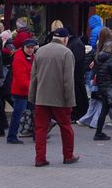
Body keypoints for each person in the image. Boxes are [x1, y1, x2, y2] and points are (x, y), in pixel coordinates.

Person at [29, 27, 79, 167]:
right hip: (60, 99)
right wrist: (70, 100)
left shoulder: (40, 51)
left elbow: (34, 77)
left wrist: (32, 97)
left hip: (42, 97)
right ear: (65, 39)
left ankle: (40, 158)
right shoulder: (66, 53)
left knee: (40, 129)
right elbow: (68, 80)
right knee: (66, 128)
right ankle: (68, 156)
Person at [7, 37, 37, 144]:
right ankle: (11, 136)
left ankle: (37, 135)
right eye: (28, 47)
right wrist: (33, 88)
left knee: (35, 113)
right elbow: (21, 78)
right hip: (21, 92)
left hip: (29, 90)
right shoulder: (19, 58)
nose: (30, 49)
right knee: (18, 114)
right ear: (23, 47)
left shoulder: (32, 57)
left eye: (32, 47)